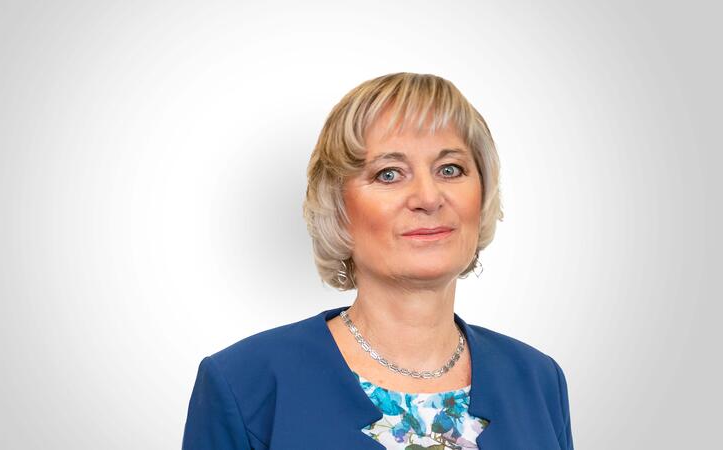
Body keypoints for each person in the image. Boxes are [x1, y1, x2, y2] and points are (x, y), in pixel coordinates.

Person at [181, 72, 574, 449]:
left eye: (450, 169)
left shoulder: (539, 380)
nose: (428, 197)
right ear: (338, 208)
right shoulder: (244, 384)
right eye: (389, 174)